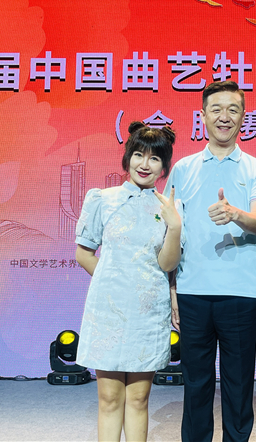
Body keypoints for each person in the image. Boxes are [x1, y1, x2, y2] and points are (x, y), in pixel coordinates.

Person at [165, 80, 256, 442]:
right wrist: (172, 288)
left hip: (240, 293)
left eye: (233, 110)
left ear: (243, 116)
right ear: (203, 115)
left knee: (239, 384)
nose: (224, 117)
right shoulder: (183, 169)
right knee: (195, 382)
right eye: (216, 109)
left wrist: (234, 213)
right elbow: (170, 231)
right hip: (192, 291)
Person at [75, 122, 181, 442]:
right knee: (109, 398)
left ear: (164, 166)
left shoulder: (169, 207)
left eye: (154, 158)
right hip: (108, 311)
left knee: (138, 399)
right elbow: (84, 253)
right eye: (138, 155)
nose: (144, 164)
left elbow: (167, 264)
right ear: (128, 158)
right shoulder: (103, 199)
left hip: (148, 313)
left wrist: (174, 226)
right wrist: (114, 282)